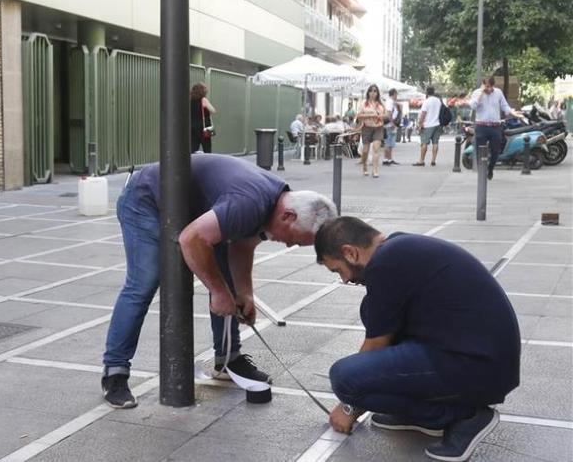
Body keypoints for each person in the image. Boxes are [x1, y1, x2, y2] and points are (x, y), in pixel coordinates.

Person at [101, 154, 337, 409]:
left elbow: (243, 245)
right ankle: (115, 373)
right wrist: (217, 291)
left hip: (194, 211)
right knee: (143, 283)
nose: (290, 244)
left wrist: (244, 294)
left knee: (227, 284)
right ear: (288, 217)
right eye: (295, 239)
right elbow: (191, 239)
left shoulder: (276, 202)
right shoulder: (249, 202)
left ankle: (227, 359)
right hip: (146, 199)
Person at [314, 217, 520, 461]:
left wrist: (348, 405)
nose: (345, 280)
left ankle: (462, 416)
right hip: (483, 361)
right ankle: (420, 415)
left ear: (350, 252)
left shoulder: (386, 263)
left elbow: (376, 346)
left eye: (338, 270)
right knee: (370, 309)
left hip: (477, 366)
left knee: (345, 377)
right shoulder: (398, 248)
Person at [468, 77, 524, 180]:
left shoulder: (498, 92)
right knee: (479, 150)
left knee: (496, 150)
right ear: (483, 85)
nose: (489, 90)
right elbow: (473, 106)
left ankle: (490, 168)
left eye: (491, 87)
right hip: (481, 126)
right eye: (487, 87)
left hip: (495, 126)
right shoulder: (477, 93)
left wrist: (512, 112)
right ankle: (482, 171)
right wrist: (481, 93)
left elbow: (504, 106)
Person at [352, 84, 385, 178]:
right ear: (368, 92)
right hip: (366, 127)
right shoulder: (364, 103)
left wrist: (381, 116)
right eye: (371, 91)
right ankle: (364, 166)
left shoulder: (381, 104)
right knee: (365, 150)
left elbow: (386, 114)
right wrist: (370, 116)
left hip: (378, 127)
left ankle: (375, 170)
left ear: (377, 93)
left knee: (376, 148)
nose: (373, 93)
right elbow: (358, 115)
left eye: (375, 91)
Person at [414, 87, 443, 167]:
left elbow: (423, 114)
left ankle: (421, 161)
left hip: (427, 125)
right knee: (435, 143)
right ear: (434, 92)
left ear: (426, 92)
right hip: (437, 124)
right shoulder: (438, 101)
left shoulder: (427, 101)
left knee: (424, 143)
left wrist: (420, 125)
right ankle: (433, 160)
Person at [190, 83, 216, 154]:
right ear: (202, 91)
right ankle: (207, 163)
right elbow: (213, 110)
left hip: (192, 126)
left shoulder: (190, 99)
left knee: (193, 148)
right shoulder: (203, 100)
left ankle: (192, 163)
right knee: (207, 148)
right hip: (205, 127)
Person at [382, 89, 401, 166]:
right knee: (388, 142)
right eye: (396, 94)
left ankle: (389, 159)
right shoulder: (389, 102)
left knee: (390, 143)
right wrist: (392, 123)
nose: (397, 96)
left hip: (390, 125)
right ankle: (386, 159)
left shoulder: (391, 102)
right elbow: (389, 113)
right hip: (389, 125)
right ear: (393, 94)